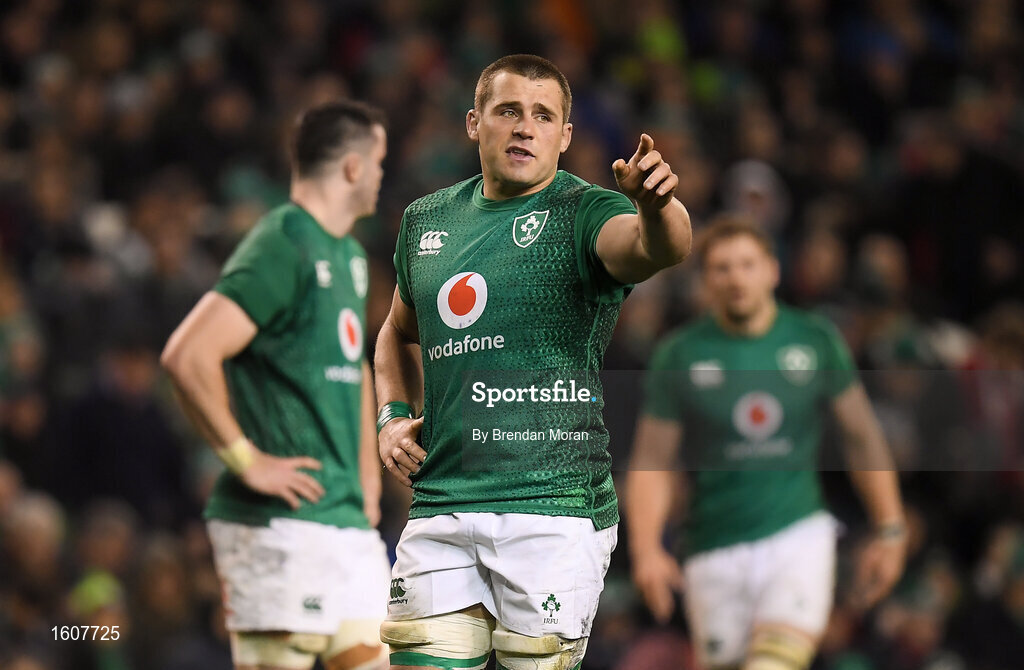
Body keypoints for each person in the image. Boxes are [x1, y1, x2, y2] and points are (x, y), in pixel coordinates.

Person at [374, 54, 692, 670]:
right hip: (441, 504)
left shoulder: (585, 212)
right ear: (474, 123)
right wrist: (391, 416)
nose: (525, 127)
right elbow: (395, 332)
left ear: (565, 136)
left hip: (553, 511)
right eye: (509, 111)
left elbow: (659, 247)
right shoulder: (426, 221)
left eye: (543, 116)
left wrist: (657, 206)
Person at [161, 100, 390, 670]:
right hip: (278, 525)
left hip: (344, 522)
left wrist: (367, 474)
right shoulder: (283, 243)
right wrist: (246, 460)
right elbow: (188, 355)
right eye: (379, 162)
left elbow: (354, 367)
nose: (382, 174)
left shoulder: (349, 255)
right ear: (354, 167)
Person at [625, 215, 908, 670]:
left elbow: (862, 438)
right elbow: (652, 461)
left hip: (797, 537)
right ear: (706, 280)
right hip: (712, 547)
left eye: (748, 264)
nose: (737, 278)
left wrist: (890, 528)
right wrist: (646, 551)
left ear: (773, 270)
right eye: (722, 268)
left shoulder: (814, 340)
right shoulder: (679, 354)